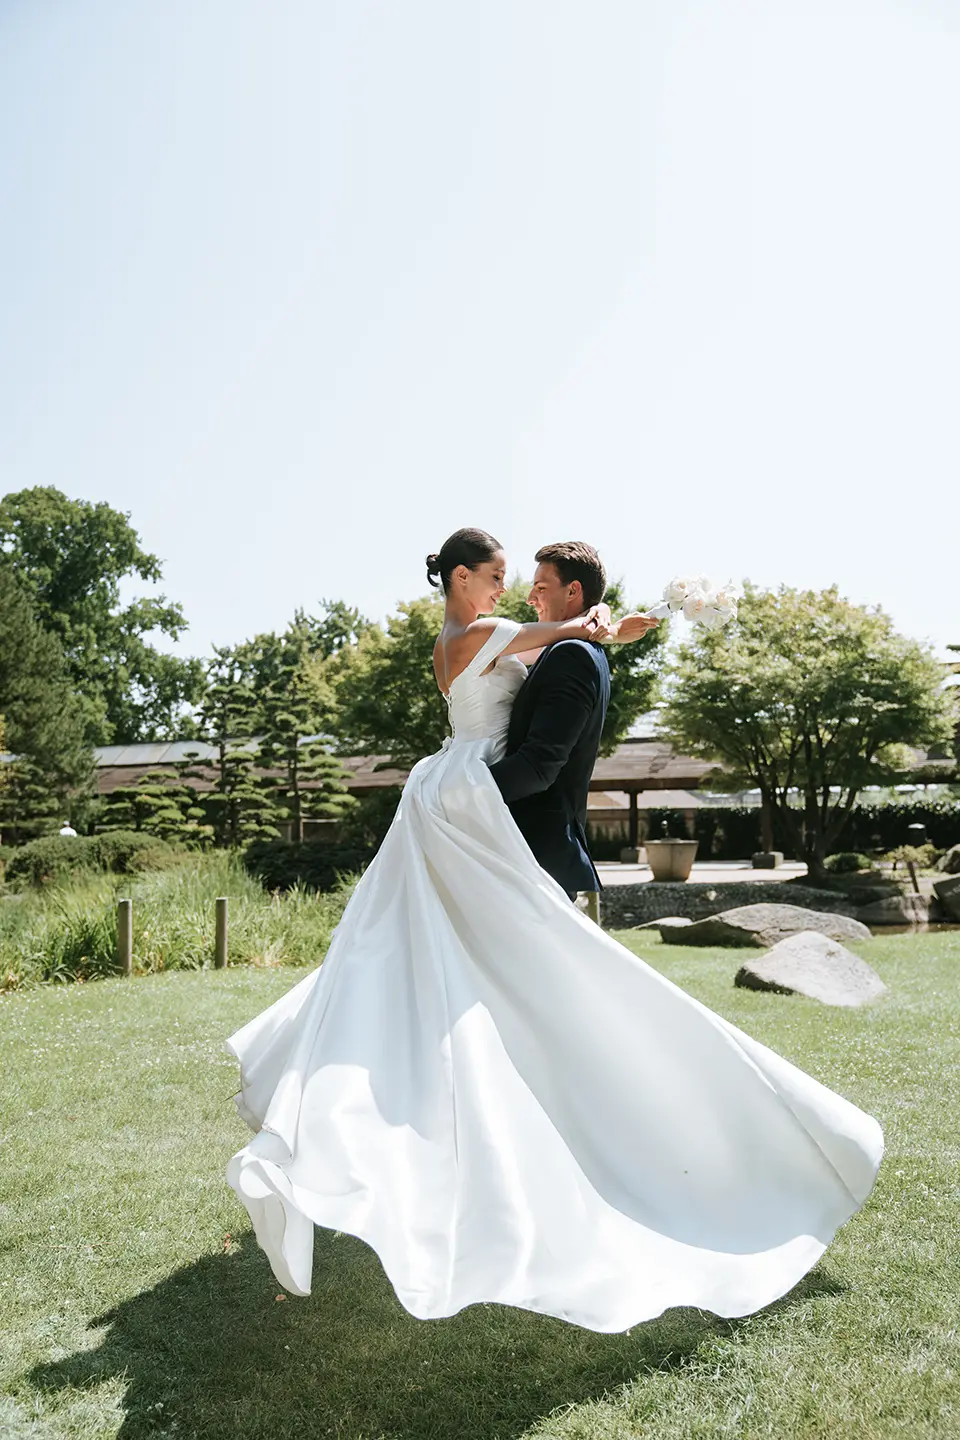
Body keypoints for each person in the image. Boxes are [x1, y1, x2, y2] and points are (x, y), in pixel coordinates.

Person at [226, 527, 883, 1333]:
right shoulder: (484, 634)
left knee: (439, 975)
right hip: (478, 806)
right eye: (500, 575)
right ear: (460, 577)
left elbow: (567, 648)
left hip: (473, 804)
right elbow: (561, 643)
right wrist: (613, 621)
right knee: (493, 997)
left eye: (526, 578)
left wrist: (627, 622)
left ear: (565, 589)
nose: (513, 588)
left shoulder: (496, 637)